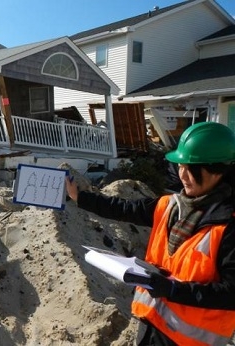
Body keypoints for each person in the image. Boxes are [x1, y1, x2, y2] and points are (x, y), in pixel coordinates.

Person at [65, 122, 235, 346]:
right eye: (180, 166)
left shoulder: (228, 225)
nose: (183, 174)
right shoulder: (170, 205)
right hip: (151, 325)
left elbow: (230, 293)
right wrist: (81, 198)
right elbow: (124, 208)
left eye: (191, 168)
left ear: (218, 170)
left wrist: (174, 289)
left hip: (190, 341)